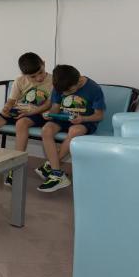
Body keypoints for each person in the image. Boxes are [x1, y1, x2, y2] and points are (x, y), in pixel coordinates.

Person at [0, 52, 52, 186]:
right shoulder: (19, 80)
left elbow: (50, 104)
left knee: (21, 123)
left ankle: (16, 165)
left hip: (39, 112)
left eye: (41, 72)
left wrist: (33, 111)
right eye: (33, 76)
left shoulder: (53, 81)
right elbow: (11, 100)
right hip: (19, 109)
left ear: (44, 63)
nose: (39, 78)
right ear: (24, 74)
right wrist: (6, 108)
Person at [37, 64, 106, 193]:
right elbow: (55, 109)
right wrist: (49, 114)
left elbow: (99, 115)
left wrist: (83, 119)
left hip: (84, 121)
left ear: (78, 81)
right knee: (46, 129)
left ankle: (52, 167)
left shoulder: (93, 88)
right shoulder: (60, 86)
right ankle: (57, 173)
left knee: (75, 131)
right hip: (63, 119)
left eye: (67, 92)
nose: (63, 94)